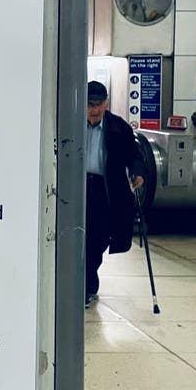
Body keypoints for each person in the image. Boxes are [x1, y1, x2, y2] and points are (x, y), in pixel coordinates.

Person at [84, 80, 145, 308]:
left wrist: (138, 172)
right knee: (79, 239)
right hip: (76, 189)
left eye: (99, 104)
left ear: (106, 104)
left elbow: (135, 156)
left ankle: (87, 284)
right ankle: (85, 286)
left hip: (105, 191)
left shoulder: (118, 127)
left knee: (97, 240)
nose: (95, 110)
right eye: (90, 104)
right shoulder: (68, 123)